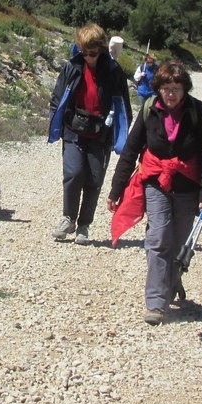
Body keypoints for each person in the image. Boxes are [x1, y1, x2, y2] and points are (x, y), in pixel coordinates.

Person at [106, 61, 202, 326]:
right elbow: (131, 150)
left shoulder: (196, 111)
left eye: (177, 88)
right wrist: (116, 189)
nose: (171, 93)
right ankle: (156, 303)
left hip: (187, 185)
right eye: (167, 88)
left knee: (179, 241)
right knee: (158, 238)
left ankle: (172, 279)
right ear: (158, 88)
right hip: (156, 181)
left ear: (185, 89)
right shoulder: (149, 110)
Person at [48, 24, 132, 245]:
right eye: (84, 52)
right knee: (74, 173)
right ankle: (68, 218)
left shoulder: (114, 72)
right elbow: (57, 97)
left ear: (101, 49)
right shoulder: (72, 67)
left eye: (92, 53)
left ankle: (84, 225)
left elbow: (124, 106)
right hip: (74, 129)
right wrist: (56, 118)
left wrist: (121, 134)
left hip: (100, 133)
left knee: (94, 180)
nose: (88, 57)